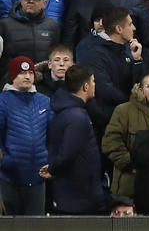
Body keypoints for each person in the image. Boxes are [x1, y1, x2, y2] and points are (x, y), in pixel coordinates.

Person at [45, 65, 106, 215]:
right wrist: (53, 168)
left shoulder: (70, 111)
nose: (94, 85)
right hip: (78, 197)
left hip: (75, 195)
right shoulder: (77, 117)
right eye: (93, 81)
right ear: (85, 87)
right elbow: (68, 153)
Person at [0, 56, 51, 215]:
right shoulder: (3, 101)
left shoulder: (44, 101)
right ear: (13, 76)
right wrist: (6, 162)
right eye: (22, 73)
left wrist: (50, 159)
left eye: (30, 72)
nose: (27, 76)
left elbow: (53, 134)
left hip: (38, 176)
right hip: (9, 178)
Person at [101, 71, 149, 198]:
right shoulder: (124, 111)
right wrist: (131, 164)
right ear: (141, 90)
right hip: (129, 185)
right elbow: (110, 142)